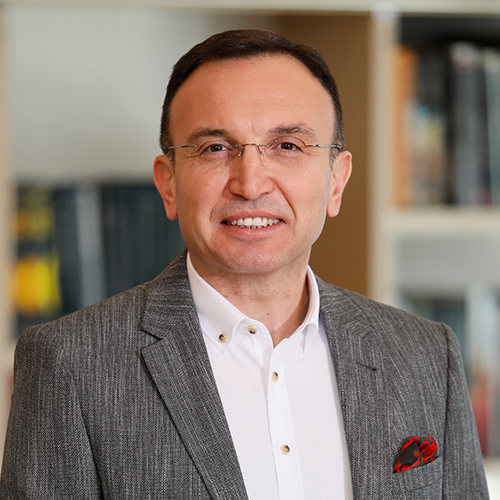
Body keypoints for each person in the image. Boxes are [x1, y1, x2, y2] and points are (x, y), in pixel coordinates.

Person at [0, 29, 489, 500]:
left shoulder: (425, 356)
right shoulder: (70, 364)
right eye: (215, 148)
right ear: (168, 184)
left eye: (287, 146)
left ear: (336, 182)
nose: (250, 183)